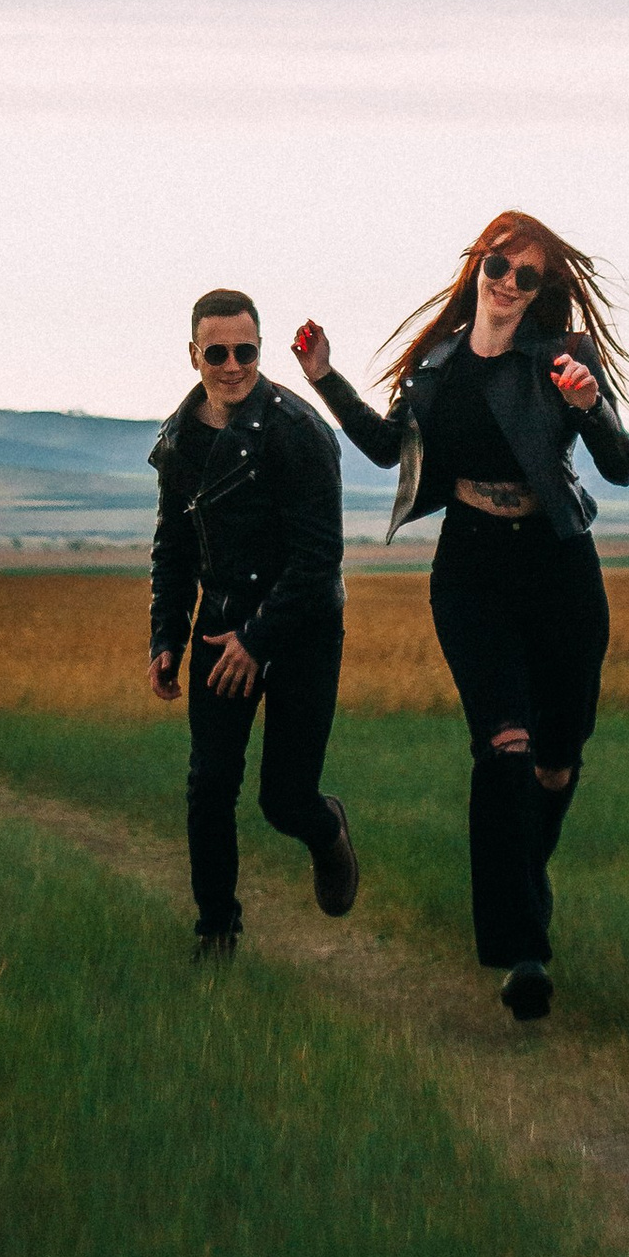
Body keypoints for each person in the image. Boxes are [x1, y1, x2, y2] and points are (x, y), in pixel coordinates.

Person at [297, 212, 629, 1022]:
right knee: (504, 747)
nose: (510, 284)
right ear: (476, 266)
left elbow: (621, 466)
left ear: (543, 290)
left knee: (556, 761)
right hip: (472, 571)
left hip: (558, 566)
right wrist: (324, 378)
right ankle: (523, 954)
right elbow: (388, 450)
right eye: (499, 266)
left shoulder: (563, 357)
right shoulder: (437, 367)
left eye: (529, 276)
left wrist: (589, 408)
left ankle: (524, 881)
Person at [148, 288, 360, 958]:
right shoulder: (180, 439)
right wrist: (166, 638)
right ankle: (216, 930)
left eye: (246, 351)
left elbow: (319, 555)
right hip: (219, 629)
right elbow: (174, 548)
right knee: (210, 783)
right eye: (218, 352)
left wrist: (258, 638)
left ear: (259, 351)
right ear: (194, 356)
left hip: (301, 632)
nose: (233, 364)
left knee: (282, 800)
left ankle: (326, 831)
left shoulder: (300, 431)